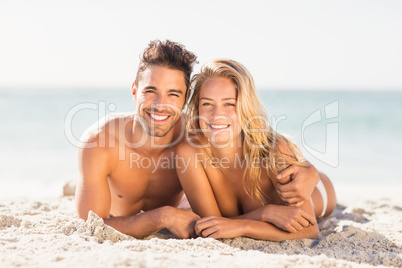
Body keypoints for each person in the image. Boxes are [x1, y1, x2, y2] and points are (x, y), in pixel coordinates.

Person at [75, 40, 325, 239]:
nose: (161, 105)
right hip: (215, 205)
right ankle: (74, 184)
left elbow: (255, 139)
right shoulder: (100, 143)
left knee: (312, 189)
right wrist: (163, 217)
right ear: (134, 91)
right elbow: (89, 224)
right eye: (151, 91)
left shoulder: (198, 136)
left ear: (185, 100)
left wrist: (311, 172)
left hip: (300, 192)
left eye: (174, 94)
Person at [176, 59, 336, 241]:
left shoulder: (273, 150)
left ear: (245, 107)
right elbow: (213, 226)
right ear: (197, 108)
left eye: (229, 104)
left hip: (320, 192)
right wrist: (265, 213)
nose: (216, 114)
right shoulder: (189, 152)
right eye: (207, 104)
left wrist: (243, 225)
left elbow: (308, 231)